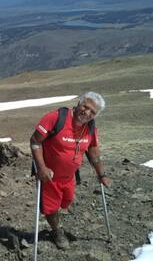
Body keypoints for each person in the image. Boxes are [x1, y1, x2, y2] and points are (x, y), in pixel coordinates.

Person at [30, 92, 111, 250]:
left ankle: (56, 218)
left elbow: (93, 150)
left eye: (92, 112)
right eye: (85, 107)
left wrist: (102, 174)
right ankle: (56, 231)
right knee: (51, 207)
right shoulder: (56, 118)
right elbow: (34, 141)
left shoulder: (91, 127)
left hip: (69, 177)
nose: (87, 113)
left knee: (66, 202)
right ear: (78, 103)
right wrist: (41, 168)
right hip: (50, 176)